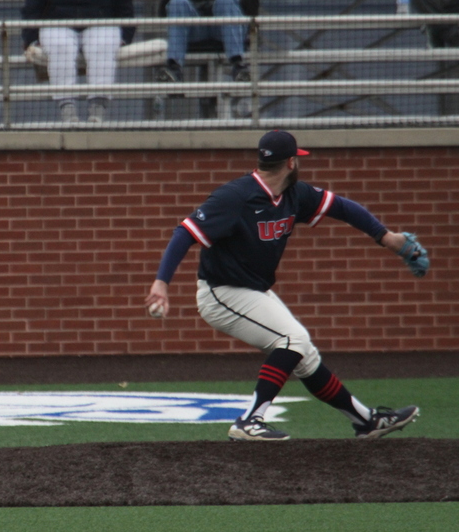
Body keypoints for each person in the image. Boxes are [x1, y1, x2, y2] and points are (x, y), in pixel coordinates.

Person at [144, 130, 427, 442]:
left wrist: (387, 238)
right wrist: (161, 283)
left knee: (305, 355)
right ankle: (249, 421)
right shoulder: (236, 196)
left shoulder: (295, 194)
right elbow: (185, 232)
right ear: (291, 162)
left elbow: (342, 207)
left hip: (253, 290)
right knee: (293, 339)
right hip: (221, 293)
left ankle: (365, 421)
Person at [21, 0, 136, 124]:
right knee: (60, 46)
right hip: (57, 22)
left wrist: (126, 36)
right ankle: (67, 109)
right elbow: (33, 4)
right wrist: (31, 38)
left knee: (104, 43)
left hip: (102, 21)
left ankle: (98, 109)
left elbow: (124, 4)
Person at [156, 0, 258, 83]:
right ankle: (174, 69)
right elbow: (163, 12)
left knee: (225, 1)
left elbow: (251, 8)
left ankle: (239, 66)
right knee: (177, 2)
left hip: (224, 27)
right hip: (195, 26)